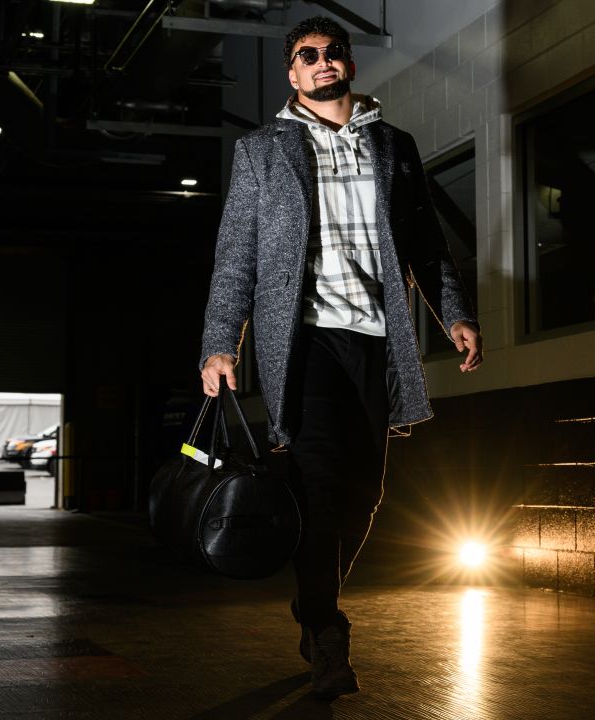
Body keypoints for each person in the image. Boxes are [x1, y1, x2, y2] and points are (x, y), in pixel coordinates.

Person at [198, 16, 483, 700]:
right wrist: (219, 339)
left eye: (333, 53)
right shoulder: (262, 151)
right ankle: (327, 633)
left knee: (366, 488)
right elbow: (236, 251)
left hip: (376, 340)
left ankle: (313, 597)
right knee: (318, 483)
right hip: (302, 340)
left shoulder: (394, 146)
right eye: (307, 56)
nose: (323, 63)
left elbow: (425, 245)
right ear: (292, 74)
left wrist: (456, 313)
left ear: (348, 65)